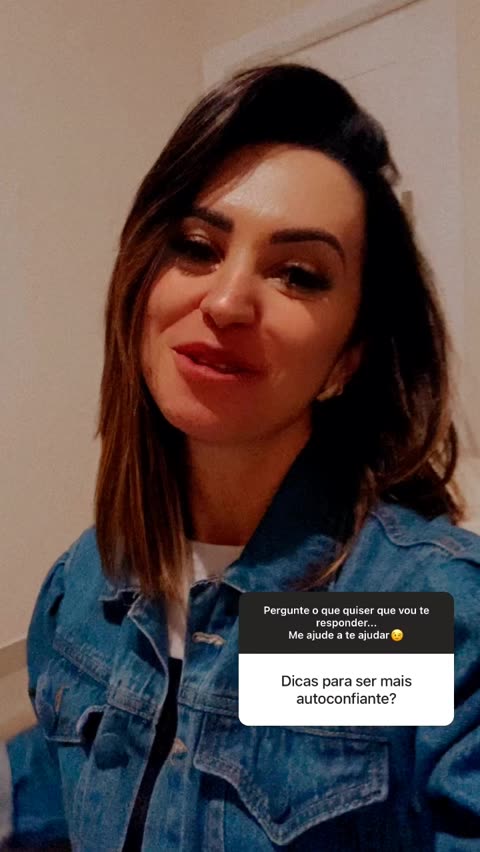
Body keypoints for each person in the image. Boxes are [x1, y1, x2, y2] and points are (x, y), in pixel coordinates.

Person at [1, 62, 479, 852]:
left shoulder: (425, 616)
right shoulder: (82, 585)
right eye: (196, 247)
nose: (225, 302)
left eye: (299, 274)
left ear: (347, 358)